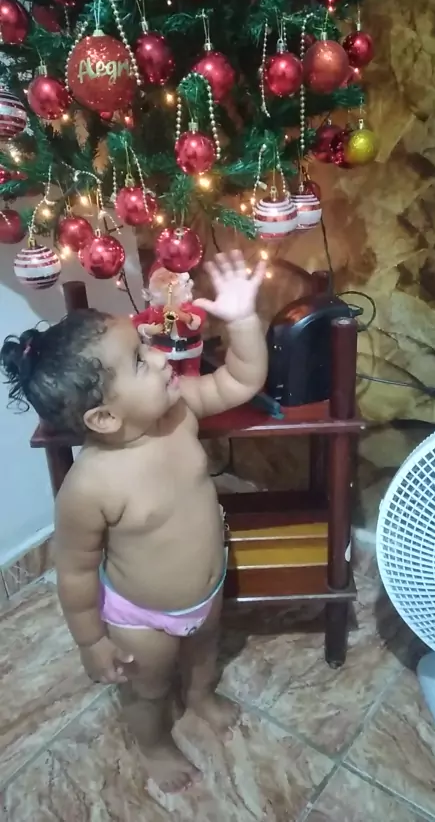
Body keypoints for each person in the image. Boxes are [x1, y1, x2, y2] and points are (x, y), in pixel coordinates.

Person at [0, 250, 267, 795]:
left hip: (207, 589)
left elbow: (240, 381)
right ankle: (154, 744)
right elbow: (76, 572)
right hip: (141, 618)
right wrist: (91, 642)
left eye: (147, 346)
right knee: (147, 689)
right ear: (104, 417)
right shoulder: (90, 487)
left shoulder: (179, 411)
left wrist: (243, 320)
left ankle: (200, 696)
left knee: (205, 651)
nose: (162, 355)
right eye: (142, 360)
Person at [131, 264, 206, 377]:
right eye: (162, 280)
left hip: (191, 349)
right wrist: (148, 329)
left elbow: (199, 319)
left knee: (192, 376)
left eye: (171, 277)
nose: (168, 283)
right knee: (168, 377)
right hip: (164, 352)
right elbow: (136, 322)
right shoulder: (154, 310)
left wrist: (181, 315)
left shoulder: (189, 306)